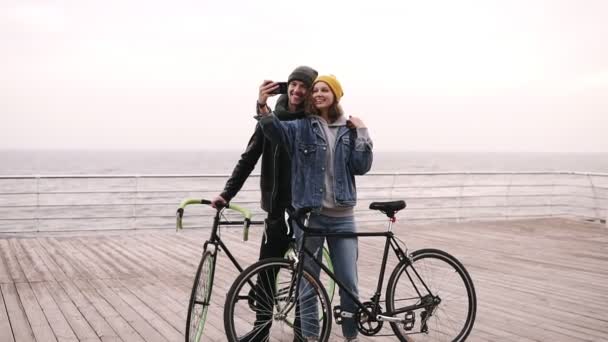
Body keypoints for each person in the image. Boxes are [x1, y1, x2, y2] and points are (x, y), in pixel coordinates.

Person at [257, 75, 373, 342]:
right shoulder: (301, 127)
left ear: (336, 95)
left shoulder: (349, 128)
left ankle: (350, 337)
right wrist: (262, 104)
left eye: (325, 90)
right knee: (308, 286)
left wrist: (363, 132)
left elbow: (361, 167)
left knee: (348, 284)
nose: (318, 94)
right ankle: (310, 339)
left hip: (343, 218)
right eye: (316, 90)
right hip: (310, 218)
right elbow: (273, 130)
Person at [212, 66, 318, 341]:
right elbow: (248, 159)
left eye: (303, 86)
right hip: (275, 208)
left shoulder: (313, 122)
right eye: (292, 85)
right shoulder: (269, 119)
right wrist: (227, 194)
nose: (296, 91)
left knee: (304, 275)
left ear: (310, 91)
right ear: (286, 87)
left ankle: (301, 332)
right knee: (267, 273)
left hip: (303, 209)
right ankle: (262, 331)